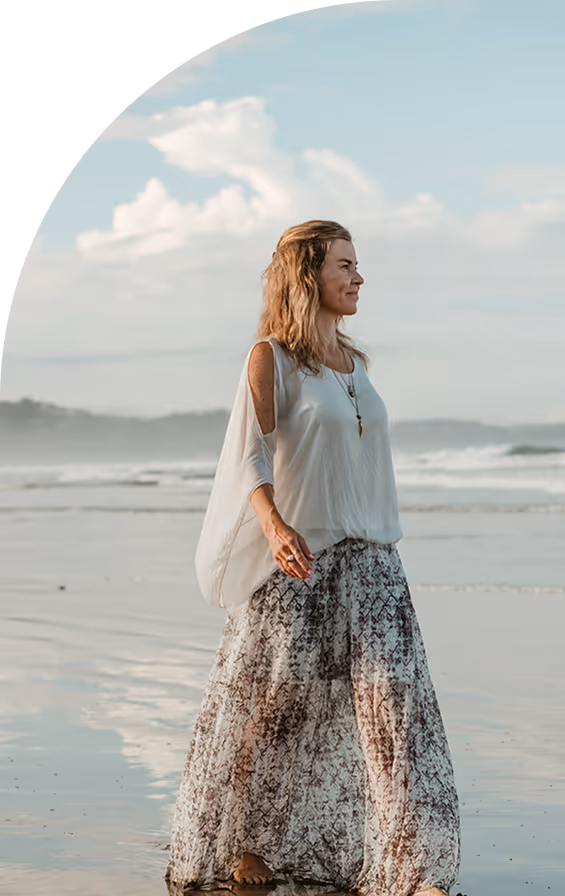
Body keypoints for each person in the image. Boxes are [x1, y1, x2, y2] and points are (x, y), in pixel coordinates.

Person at [165, 221, 462, 896]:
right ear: (307, 276)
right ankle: (249, 846)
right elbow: (249, 455)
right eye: (345, 265)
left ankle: (412, 870)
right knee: (278, 714)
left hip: (377, 567)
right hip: (300, 567)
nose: (358, 278)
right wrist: (272, 527)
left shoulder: (356, 363)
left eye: (357, 265)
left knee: (395, 713)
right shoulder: (269, 357)